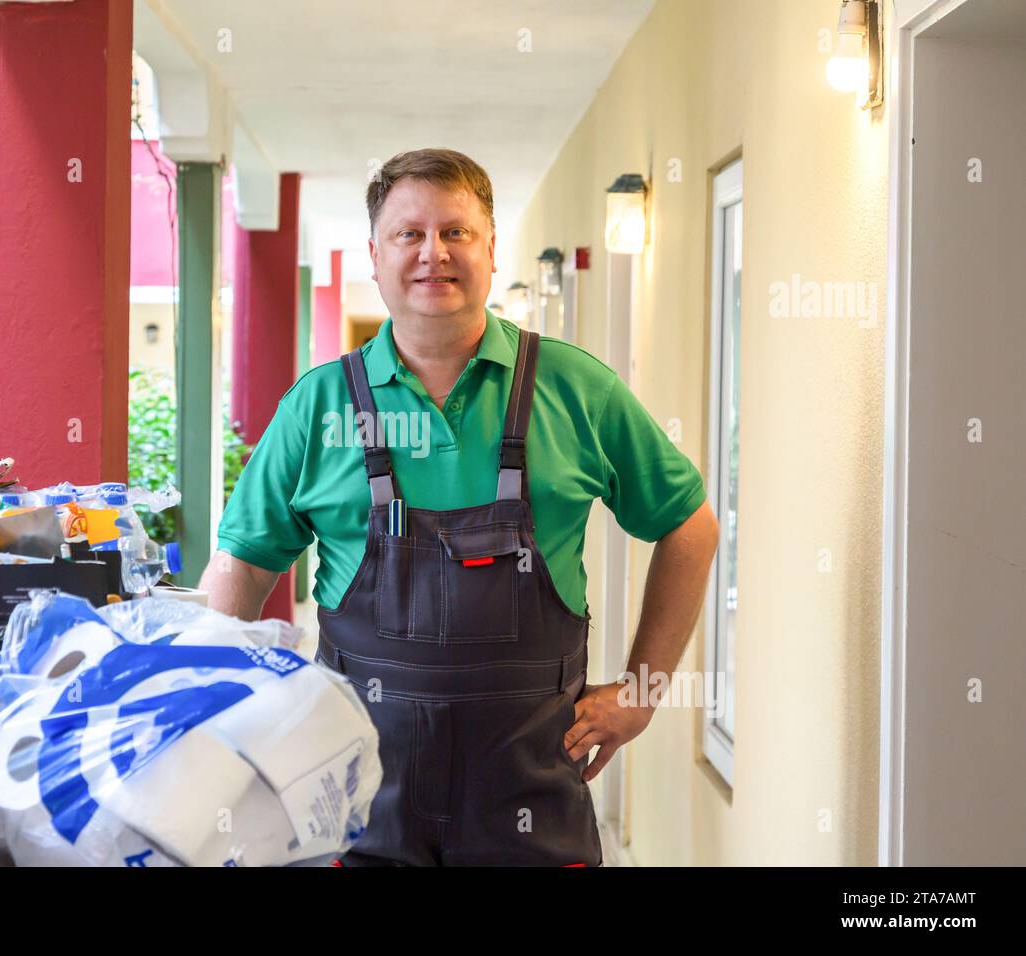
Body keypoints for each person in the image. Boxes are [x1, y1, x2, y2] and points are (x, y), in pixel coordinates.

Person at [200, 147, 719, 866]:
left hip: (532, 800)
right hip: (358, 800)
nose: (432, 254)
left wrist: (644, 690)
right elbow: (243, 565)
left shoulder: (577, 391)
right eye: (409, 234)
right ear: (376, 255)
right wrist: (210, 716)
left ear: (490, 248)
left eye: (455, 232)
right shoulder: (316, 407)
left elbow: (690, 526)